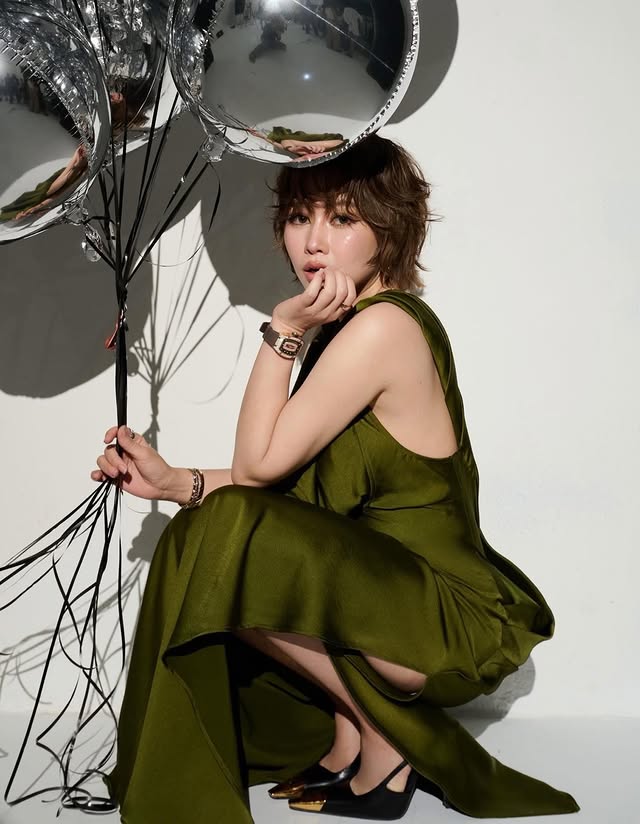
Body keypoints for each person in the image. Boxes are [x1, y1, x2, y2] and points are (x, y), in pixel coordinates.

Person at [93, 134, 579, 821]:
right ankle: (353, 729)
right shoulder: (349, 331)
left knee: (224, 534)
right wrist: (175, 484)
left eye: (343, 218)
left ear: (391, 229)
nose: (313, 241)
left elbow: (259, 471)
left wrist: (282, 329)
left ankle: (385, 734)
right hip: (390, 603)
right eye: (299, 217)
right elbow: (288, 489)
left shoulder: (384, 330)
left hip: (441, 622)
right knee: (204, 531)